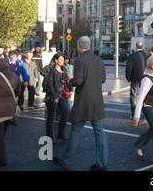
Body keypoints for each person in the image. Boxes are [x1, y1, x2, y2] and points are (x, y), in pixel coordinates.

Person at [52, 36, 108, 171]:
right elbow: (103, 79)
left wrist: (69, 82)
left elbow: (77, 81)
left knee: (75, 131)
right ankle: (102, 164)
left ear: (78, 46)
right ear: (89, 46)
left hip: (83, 101)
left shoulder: (79, 61)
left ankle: (65, 160)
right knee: (100, 133)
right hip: (96, 101)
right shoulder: (99, 61)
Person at [44, 52, 70, 142]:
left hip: (62, 95)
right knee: (51, 116)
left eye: (63, 59)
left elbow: (67, 81)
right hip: (52, 96)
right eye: (61, 59)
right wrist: (54, 96)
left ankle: (61, 133)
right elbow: (49, 84)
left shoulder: (64, 69)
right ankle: (49, 136)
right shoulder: (52, 70)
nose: (63, 61)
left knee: (66, 112)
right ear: (56, 60)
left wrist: (70, 89)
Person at [125, 42, 149, 119]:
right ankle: (147, 113)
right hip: (145, 78)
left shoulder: (132, 56)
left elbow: (129, 68)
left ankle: (134, 113)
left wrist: (128, 77)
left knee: (134, 95)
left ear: (136, 47)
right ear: (142, 47)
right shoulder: (147, 56)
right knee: (145, 95)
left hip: (135, 78)